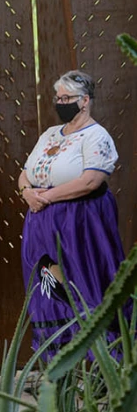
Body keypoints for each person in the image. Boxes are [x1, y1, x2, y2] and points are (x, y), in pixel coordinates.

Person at [17, 70, 125, 359]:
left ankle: (104, 362)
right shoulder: (49, 134)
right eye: (58, 98)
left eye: (68, 98)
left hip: (79, 222)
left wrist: (47, 196)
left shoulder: (95, 136)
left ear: (85, 101)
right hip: (41, 221)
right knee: (47, 287)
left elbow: (91, 180)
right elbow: (25, 174)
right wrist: (27, 193)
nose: (61, 102)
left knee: (83, 283)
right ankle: (55, 363)